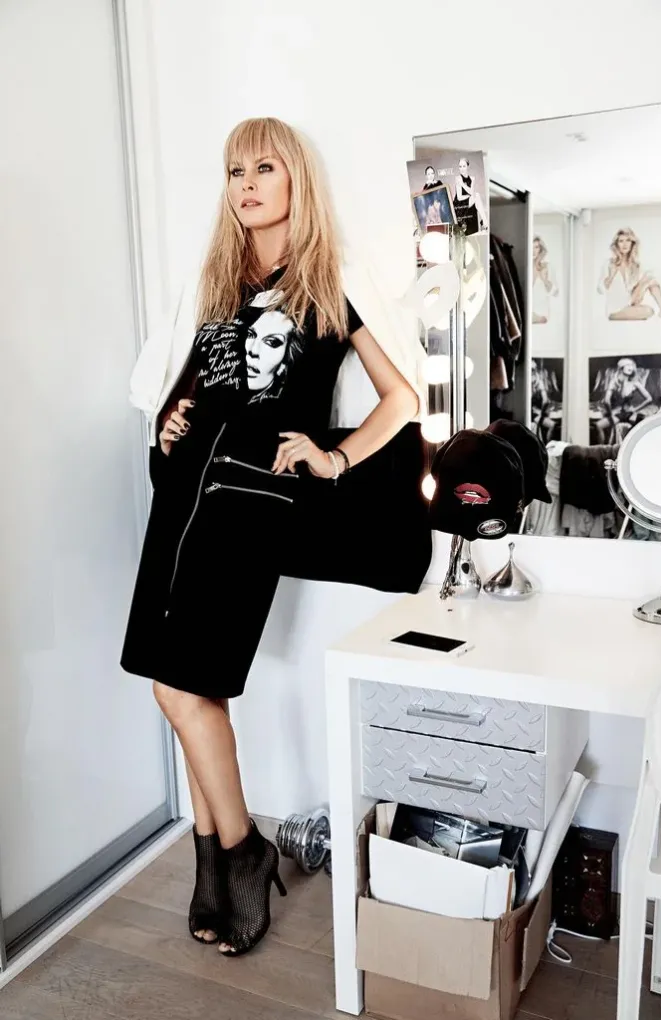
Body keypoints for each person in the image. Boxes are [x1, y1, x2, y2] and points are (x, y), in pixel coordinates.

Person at [121, 117, 420, 957]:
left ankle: (243, 846)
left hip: (250, 506)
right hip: (182, 498)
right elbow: (196, 386)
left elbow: (402, 399)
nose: (246, 185)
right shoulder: (218, 283)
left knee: (182, 689)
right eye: (234, 172)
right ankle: (215, 866)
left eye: (263, 168)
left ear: (295, 179)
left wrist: (335, 456)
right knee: (182, 687)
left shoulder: (331, 280)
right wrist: (173, 416)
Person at [598, 227, 661, 331]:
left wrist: (644, 285)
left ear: (632, 243)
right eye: (621, 241)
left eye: (628, 240)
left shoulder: (635, 266)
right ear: (617, 244)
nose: (624, 244)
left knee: (650, 277)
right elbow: (601, 289)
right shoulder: (609, 264)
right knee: (649, 311)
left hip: (629, 301)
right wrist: (611, 275)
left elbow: (650, 282)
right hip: (615, 310)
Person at [591, 357, 656, 444]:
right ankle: (603, 449)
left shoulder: (634, 383)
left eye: (632, 366)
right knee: (598, 425)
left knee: (647, 424)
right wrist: (611, 414)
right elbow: (606, 401)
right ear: (621, 368)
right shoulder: (614, 382)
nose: (631, 367)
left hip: (629, 414)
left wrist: (635, 409)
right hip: (619, 414)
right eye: (628, 365)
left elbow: (649, 399)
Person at [453, 157, 487, 236]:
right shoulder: (458, 178)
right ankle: (485, 222)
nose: (462, 168)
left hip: (468, 201)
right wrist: (470, 196)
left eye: (464, 166)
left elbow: (472, 192)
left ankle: (484, 222)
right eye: (460, 166)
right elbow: (459, 197)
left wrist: (462, 184)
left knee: (476, 195)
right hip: (459, 205)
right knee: (476, 195)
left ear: (467, 166)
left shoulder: (472, 178)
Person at [532, 236, 558, 325]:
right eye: (531, 247)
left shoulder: (547, 267)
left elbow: (555, 292)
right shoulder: (525, 267)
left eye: (536, 247)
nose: (533, 251)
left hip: (542, 314)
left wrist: (544, 279)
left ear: (540, 249)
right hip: (528, 313)